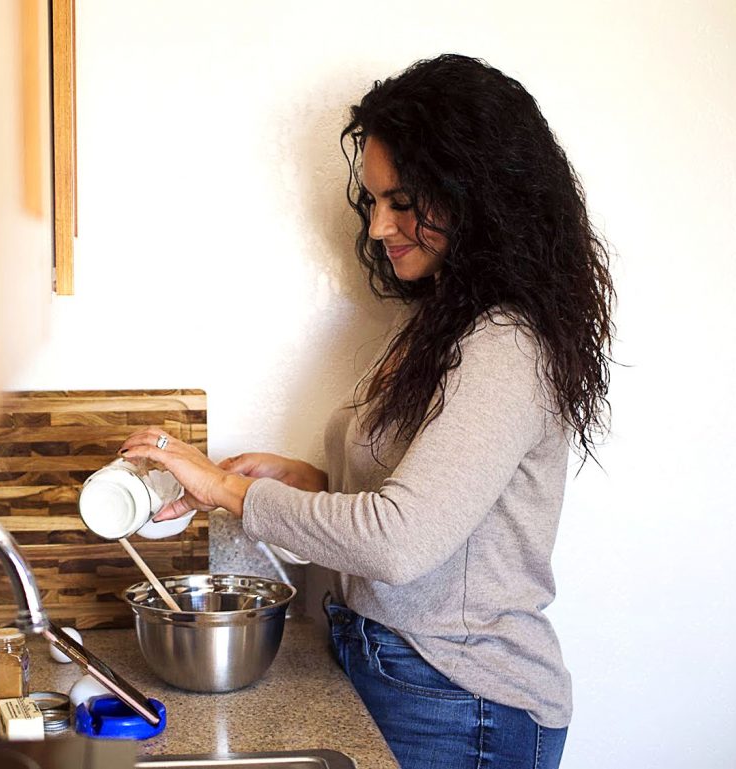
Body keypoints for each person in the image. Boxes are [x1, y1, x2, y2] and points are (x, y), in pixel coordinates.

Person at [120, 53, 614, 769]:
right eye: (374, 200)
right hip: (399, 672)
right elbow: (426, 506)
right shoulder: (440, 320)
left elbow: (398, 542)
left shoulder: (506, 343)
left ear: (477, 192)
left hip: (460, 698)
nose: (380, 226)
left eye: (403, 200)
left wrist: (226, 489)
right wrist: (309, 481)